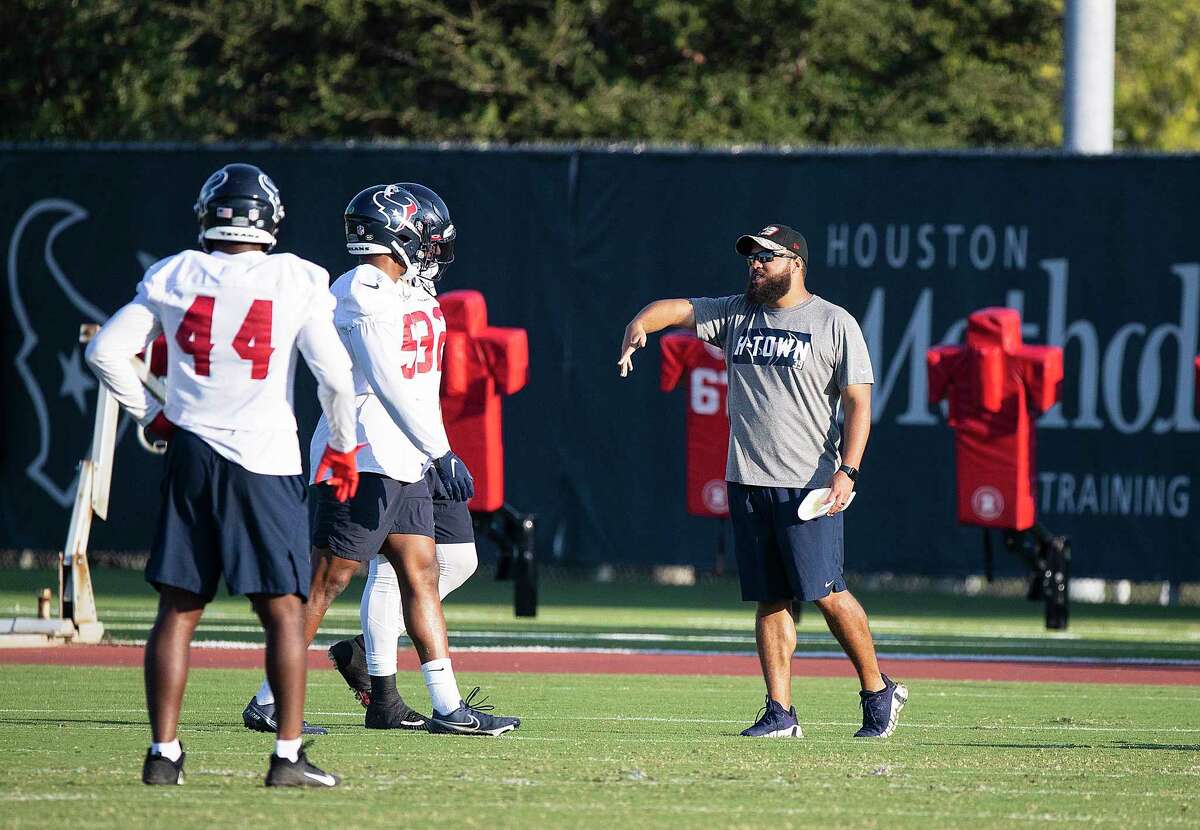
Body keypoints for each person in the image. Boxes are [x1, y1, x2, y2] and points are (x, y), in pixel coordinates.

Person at [85, 162, 358, 786]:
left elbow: (104, 351)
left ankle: (163, 756)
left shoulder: (175, 272)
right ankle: (287, 757)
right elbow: (335, 377)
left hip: (193, 454)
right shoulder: (297, 278)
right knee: (285, 612)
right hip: (264, 458)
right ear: (272, 223)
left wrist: (151, 414)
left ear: (208, 217)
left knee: (178, 609)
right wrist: (342, 446)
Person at [242, 183, 519, 736]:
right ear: (400, 235)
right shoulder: (360, 291)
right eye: (428, 239)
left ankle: (443, 706)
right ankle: (267, 700)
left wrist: (433, 448)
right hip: (363, 453)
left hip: (405, 455)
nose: (435, 251)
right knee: (327, 580)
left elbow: (419, 388)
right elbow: (387, 380)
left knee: (422, 571)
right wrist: (440, 450)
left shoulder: (407, 293)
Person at [617, 224, 907, 739]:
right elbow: (676, 309)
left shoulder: (833, 321)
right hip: (747, 478)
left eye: (765, 258)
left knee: (828, 593)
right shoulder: (736, 313)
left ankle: (877, 689)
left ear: (795, 263)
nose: (754, 266)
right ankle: (780, 712)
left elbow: (859, 402)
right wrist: (641, 323)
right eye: (749, 258)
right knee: (770, 598)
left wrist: (849, 470)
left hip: (810, 482)